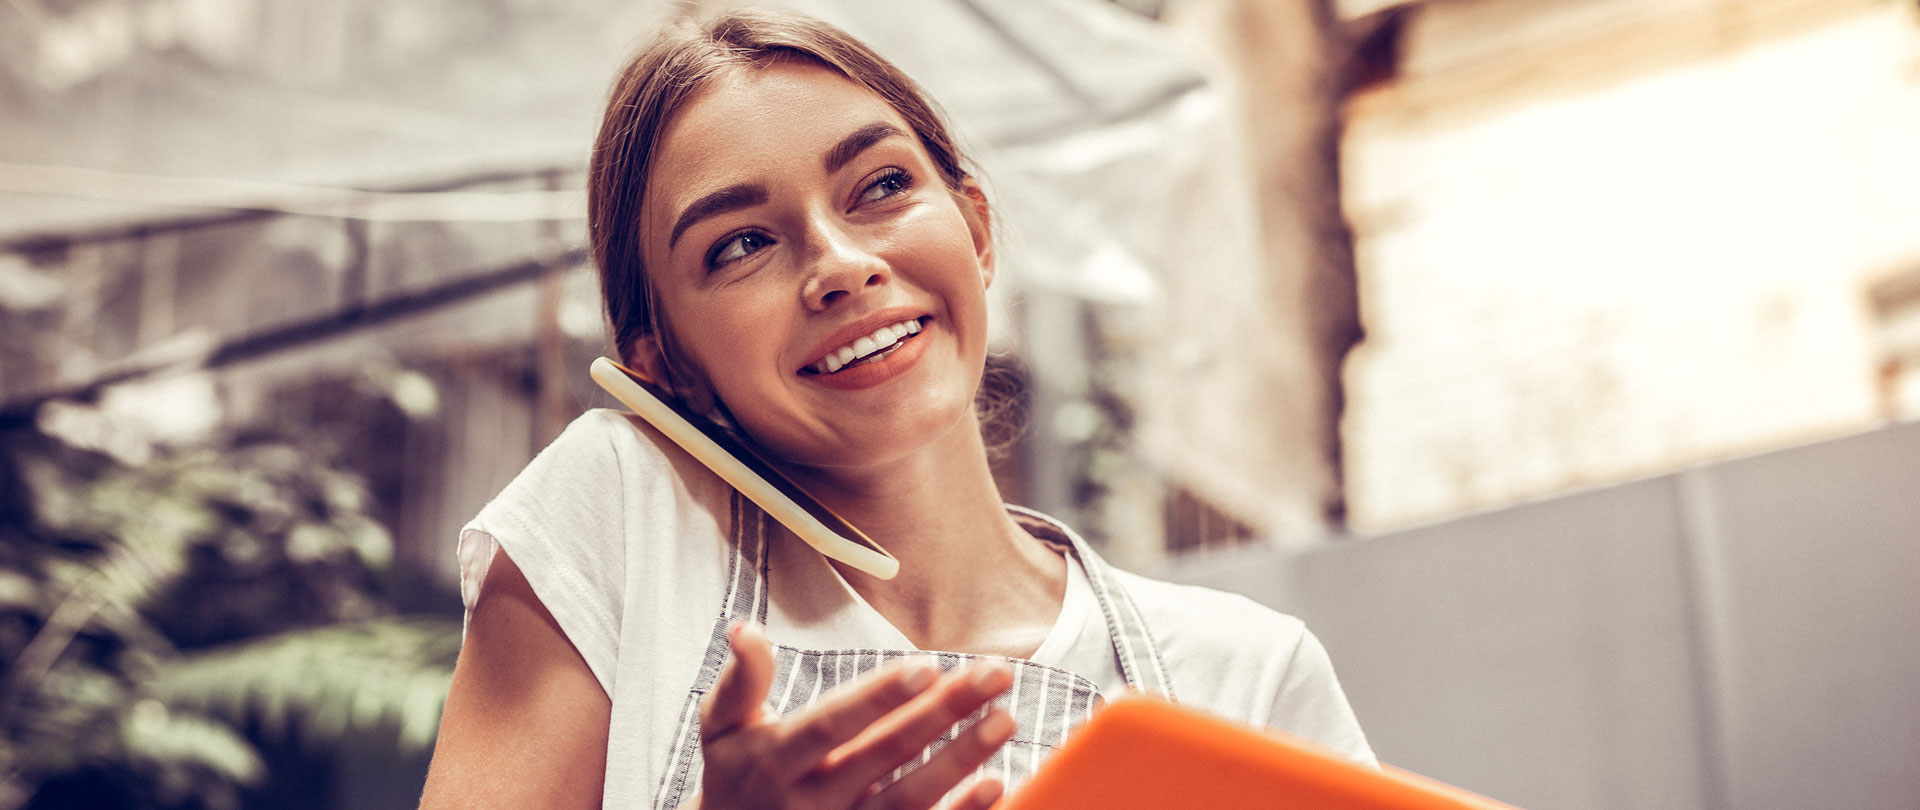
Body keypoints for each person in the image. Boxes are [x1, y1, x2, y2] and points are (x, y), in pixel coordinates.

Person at [418, 8, 1372, 810]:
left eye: (880, 185)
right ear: (666, 371)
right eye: (740, 244)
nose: (839, 263)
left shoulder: (1245, 674)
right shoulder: (620, 518)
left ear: (978, 231)